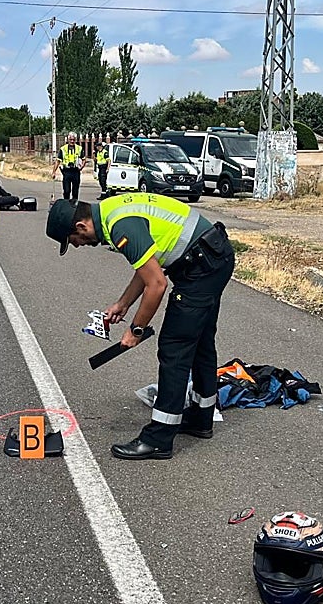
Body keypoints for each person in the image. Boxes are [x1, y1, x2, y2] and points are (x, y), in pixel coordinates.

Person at [46, 193, 236, 461]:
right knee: (200, 342)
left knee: (174, 348)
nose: (78, 246)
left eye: (73, 241)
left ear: (81, 227)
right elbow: (147, 264)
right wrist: (123, 303)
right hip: (211, 257)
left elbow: (157, 284)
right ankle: (201, 418)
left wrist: (136, 330)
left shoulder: (120, 226)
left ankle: (159, 438)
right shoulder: (111, 212)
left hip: (203, 266)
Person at [52, 131, 85, 202]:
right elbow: (58, 161)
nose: (72, 141)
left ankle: (74, 206)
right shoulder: (63, 149)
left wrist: (82, 166)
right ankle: (66, 204)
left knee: (75, 191)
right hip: (67, 171)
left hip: (76, 171)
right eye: (71, 140)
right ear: (68, 140)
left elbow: (84, 159)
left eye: (73, 140)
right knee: (67, 190)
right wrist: (54, 172)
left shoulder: (79, 148)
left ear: (75, 140)